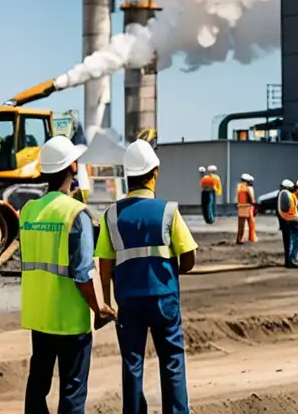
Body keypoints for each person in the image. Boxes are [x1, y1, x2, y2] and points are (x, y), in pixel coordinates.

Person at [95, 139, 197, 414]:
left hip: (128, 301)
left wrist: (106, 302)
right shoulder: (168, 211)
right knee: (172, 359)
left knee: (132, 362)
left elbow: (105, 265)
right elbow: (188, 258)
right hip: (164, 298)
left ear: (128, 176)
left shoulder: (112, 215)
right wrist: (172, 268)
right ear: (155, 173)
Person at [20, 135, 115, 414]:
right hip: (70, 321)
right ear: (73, 166)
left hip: (39, 316)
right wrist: (99, 308)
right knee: (72, 391)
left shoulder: (28, 211)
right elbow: (83, 272)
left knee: (37, 385)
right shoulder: (76, 214)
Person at [277, 179, 298, 268]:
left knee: (287, 243)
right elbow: (291, 208)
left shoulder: (280, 194)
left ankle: (288, 260)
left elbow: (280, 211)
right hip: (291, 221)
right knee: (293, 241)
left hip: (285, 222)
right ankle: (291, 260)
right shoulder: (288, 195)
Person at [235, 174, 257, 244]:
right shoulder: (247, 188)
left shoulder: (239, 187)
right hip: (246, 207)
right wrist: (254, 204)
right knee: (249, 223)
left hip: (240, 207)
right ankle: (243, 239)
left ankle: (239, 238)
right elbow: (251, 199)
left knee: (240, 225)